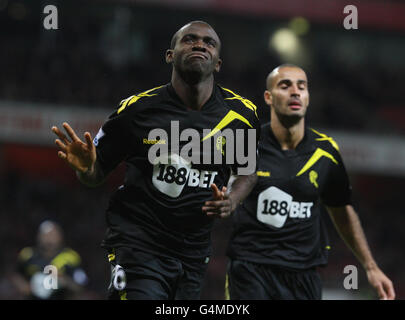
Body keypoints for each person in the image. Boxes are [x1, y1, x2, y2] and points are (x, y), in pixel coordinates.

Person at [51, 21, 260, 300]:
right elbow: (95, 174)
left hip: (194, 254)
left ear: (218, 63)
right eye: (189, 39)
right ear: (170, 55)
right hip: (138, 245)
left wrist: (232, 200)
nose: (199, 44)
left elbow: (248, 172)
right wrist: (87, 167)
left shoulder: (242, 116)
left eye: (209, 43)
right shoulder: (136, 111)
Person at [224, 64, 395, 300]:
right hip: (251, 271)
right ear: (268, 97)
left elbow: (342, 211)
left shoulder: (326, 151)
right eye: (285, 86)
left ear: (307, 97)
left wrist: (371, 267)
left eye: (301, 87)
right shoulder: (247, 143)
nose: (295, 92)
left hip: (304, 278)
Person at [12, 220, 89, 300]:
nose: (49, 239)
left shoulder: (70, 257)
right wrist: (24, 286)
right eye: (46, 235)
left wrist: (64, 281)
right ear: (38, 237)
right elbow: (16, 274)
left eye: (52, 235)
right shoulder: (27, 254)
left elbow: (81, 286)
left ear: (60, 236)